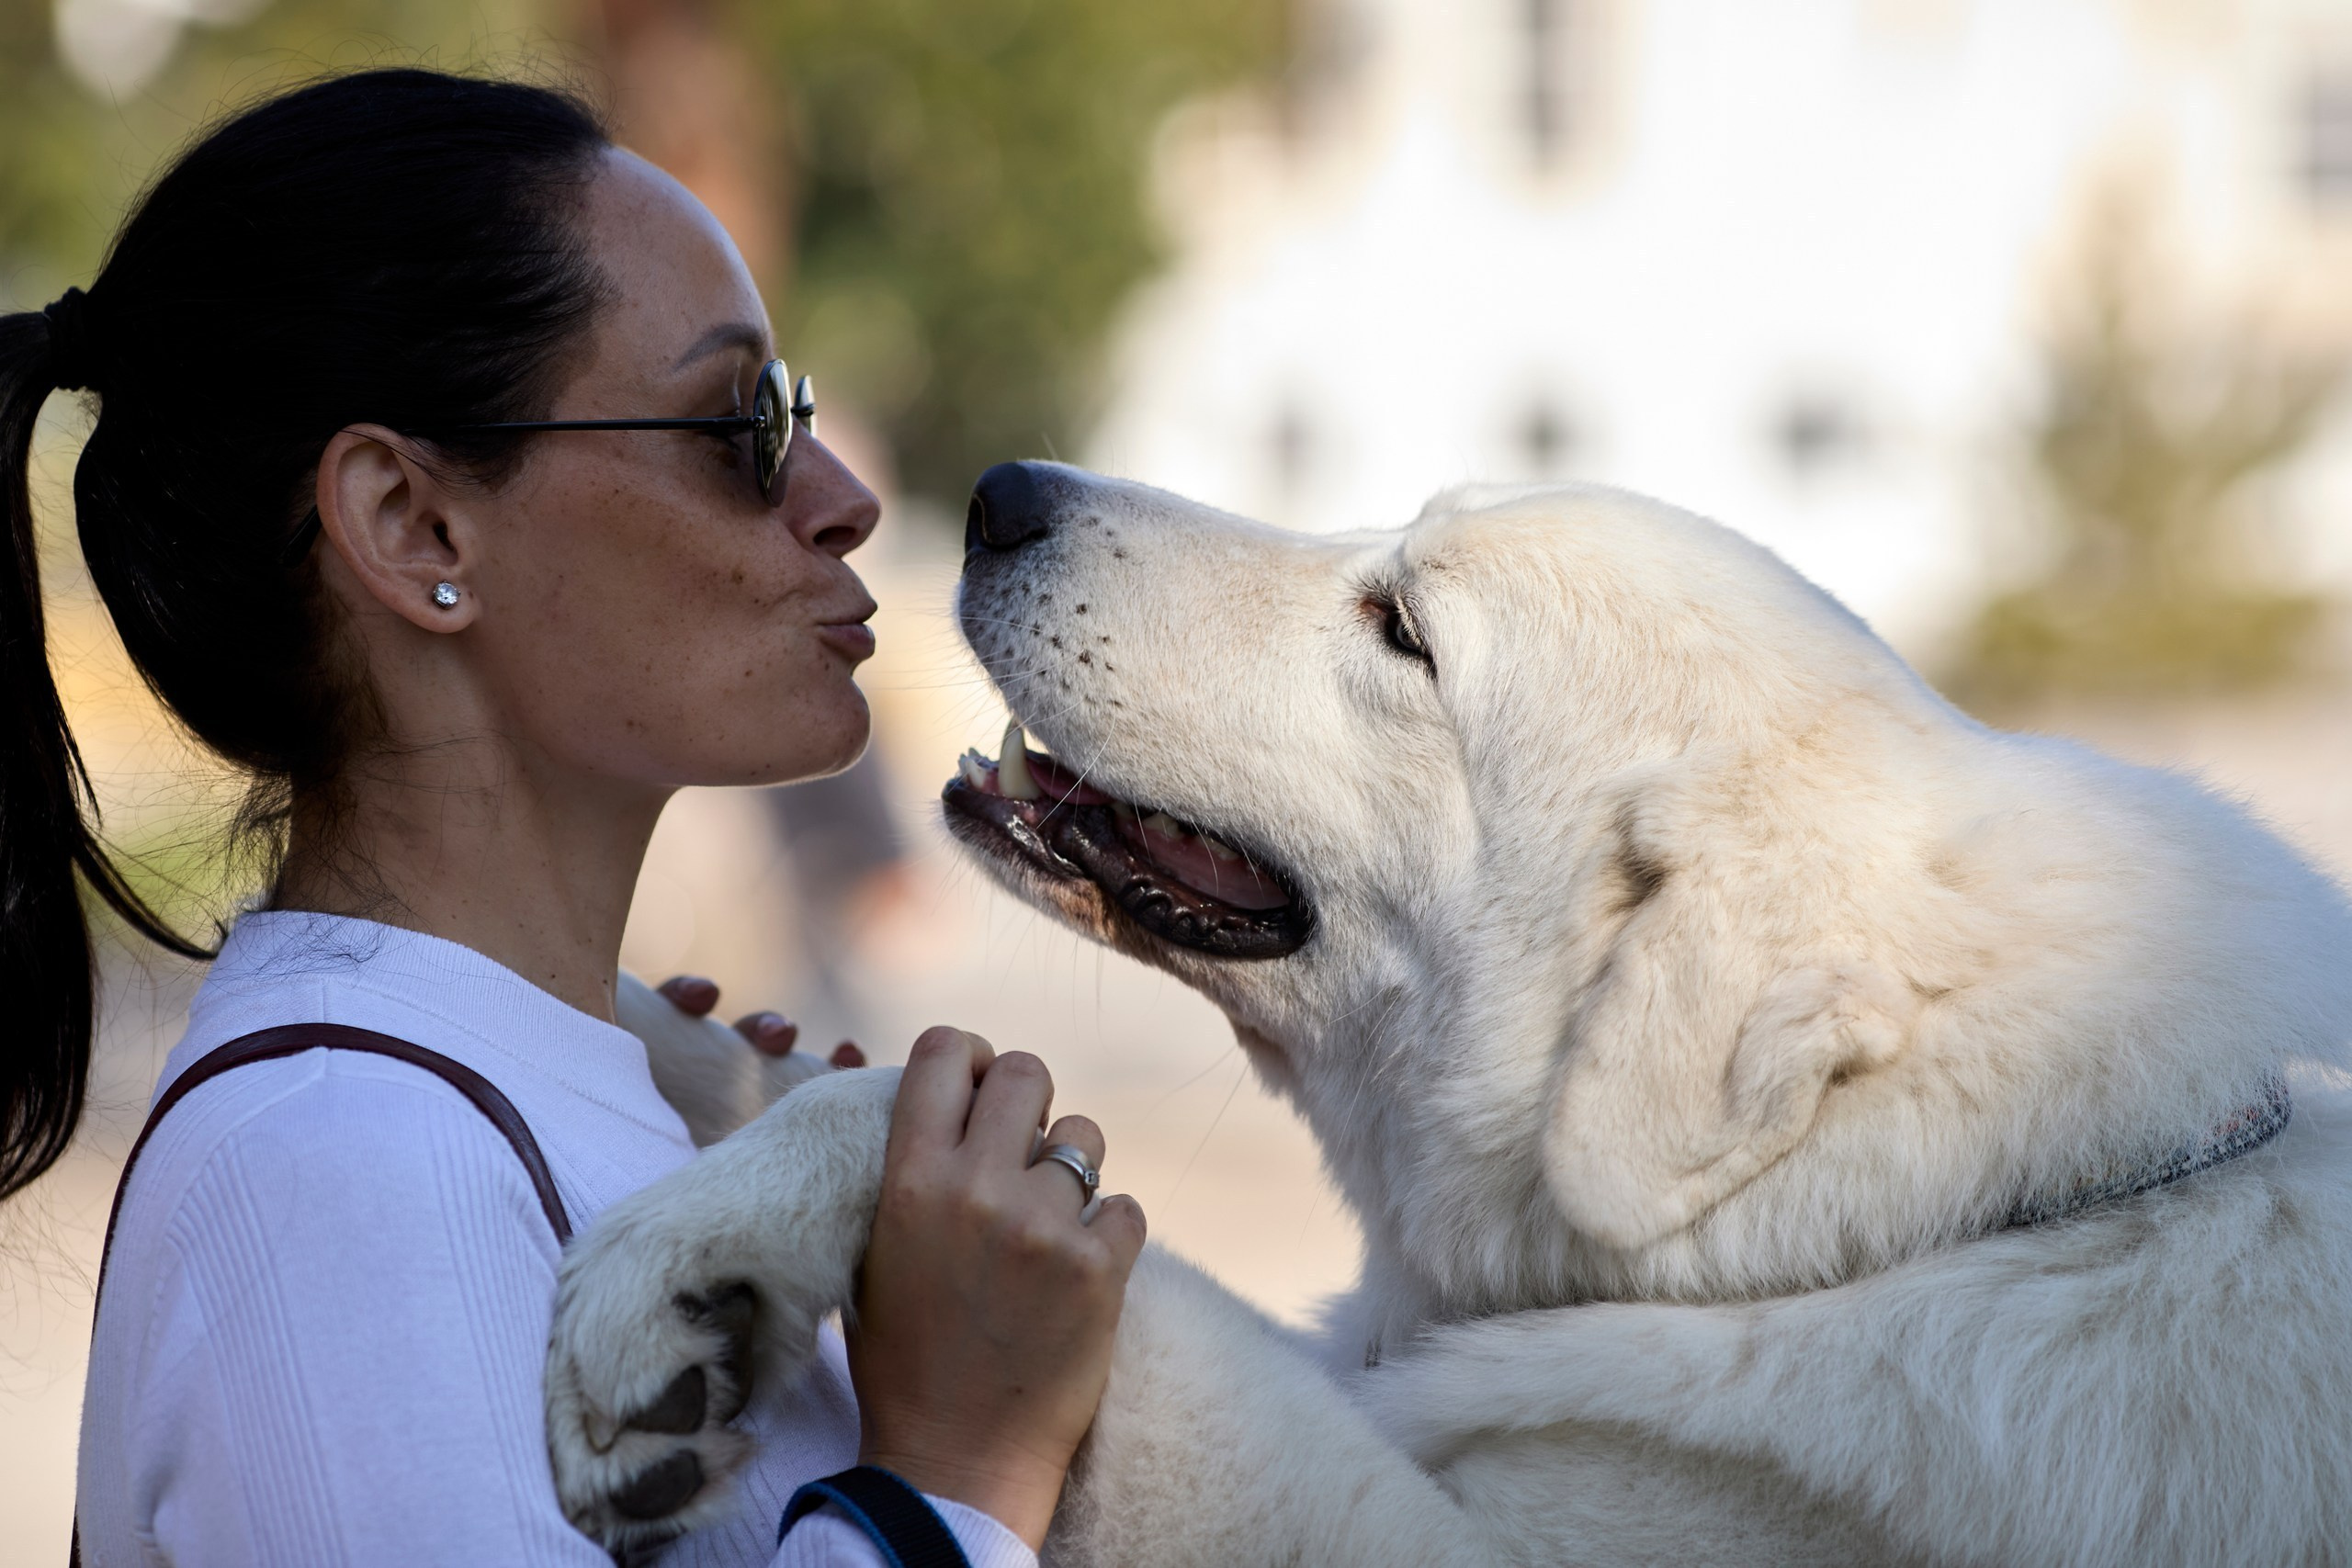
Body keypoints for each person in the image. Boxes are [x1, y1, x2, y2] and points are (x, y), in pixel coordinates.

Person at [1, 67, 1145, 1566]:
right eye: (740, 420)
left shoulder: (504, 1112)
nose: (843, 495)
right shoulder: (338, 1168)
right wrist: (953, 1470)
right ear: (415, 527)